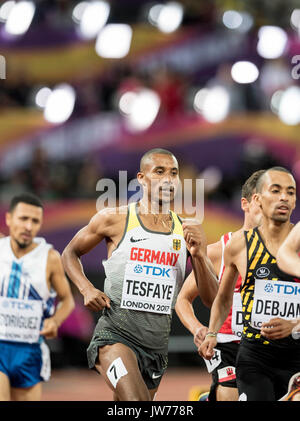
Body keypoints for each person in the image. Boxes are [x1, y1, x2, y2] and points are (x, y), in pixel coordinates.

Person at [62, 148, 217, 401]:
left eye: (173, 173)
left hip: (155, 347)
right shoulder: (115, 219)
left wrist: (199, 254)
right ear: (142, 178)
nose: (168, 179)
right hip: (115, 336)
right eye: (159, 171)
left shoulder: (186, 230)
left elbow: (211, 298)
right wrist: (86, 288)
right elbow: (69, 253)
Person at [200, 166, 300, 401]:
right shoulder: (238, 245)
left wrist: (295, 325)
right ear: (258, 199)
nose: (283, 197)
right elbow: (223, 298)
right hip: (255, 357)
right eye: (275, 191)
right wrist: (212, 332)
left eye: (290, 192)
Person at [175, 170, 263, 401]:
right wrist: (197, 329)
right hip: (228, 344)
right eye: (259, 201)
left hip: (270, 344)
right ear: (245, 203)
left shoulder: (288, 252)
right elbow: (183, 300)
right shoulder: (218, 251)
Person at [0, 193, 74, 401]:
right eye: (23, 219)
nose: (28, 227)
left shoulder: (49, 257)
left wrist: (55, 321)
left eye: (35, 221)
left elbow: (67, 299)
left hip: (30, 349)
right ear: (8, 219)